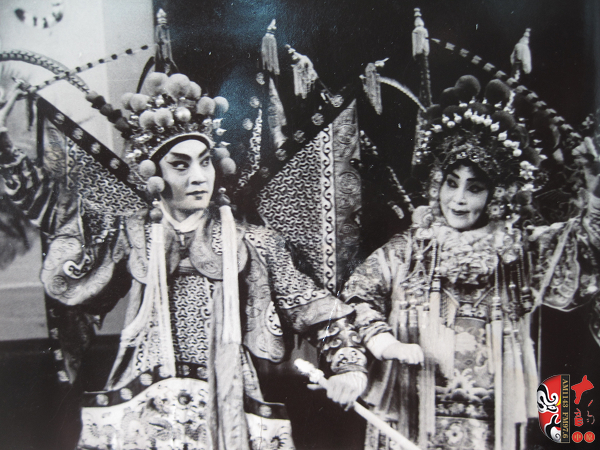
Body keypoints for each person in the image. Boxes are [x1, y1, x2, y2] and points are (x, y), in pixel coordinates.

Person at [0, 74, 368, 450]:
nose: (198, 178)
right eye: (180, 165)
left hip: (227, 401)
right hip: (143, 403)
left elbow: (311, 305)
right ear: (155, 174)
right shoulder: (131, 232)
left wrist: (349, 364)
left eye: (205, 162)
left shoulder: (250, 239)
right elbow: (55, 211)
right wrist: (3, 145)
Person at [341, 75, 600, 450]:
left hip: (488, 427)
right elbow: (356, 297)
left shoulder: (518, 253)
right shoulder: (407, 251)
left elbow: (583, 250)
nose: (458, 199)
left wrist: (596, 199)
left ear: (496, 196)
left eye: (475, 187)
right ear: (437, 183)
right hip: (410, 419)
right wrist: (384, 343)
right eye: (452, 182)